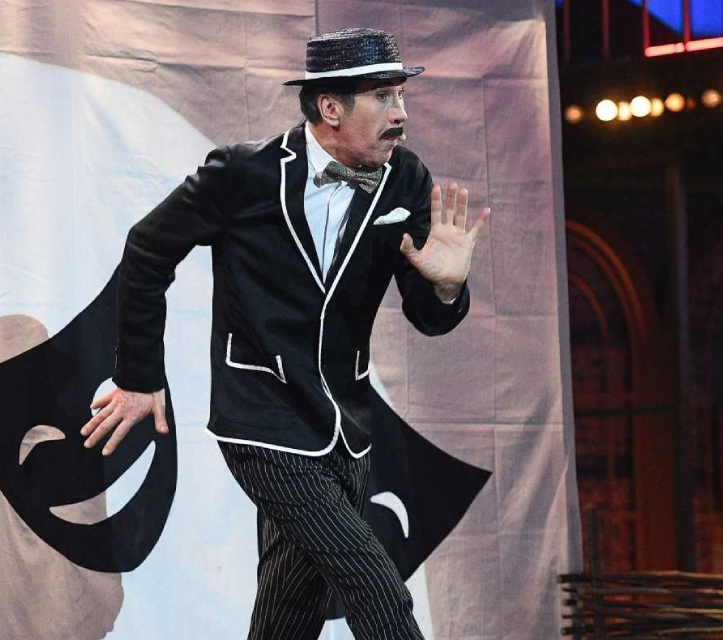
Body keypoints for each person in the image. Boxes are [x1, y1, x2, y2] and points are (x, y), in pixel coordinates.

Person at [80, 27, 489, 640]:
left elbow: (427, 317)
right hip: (261, 420)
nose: (401, 114)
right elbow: (147, 250)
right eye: (383, 96)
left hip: (345, 430)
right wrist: (139, 376)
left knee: (288, 615)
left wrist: (448, 288)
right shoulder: (242, 174)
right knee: (373, 582)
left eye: (401, 95)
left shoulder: (405, 180)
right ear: (330, 107)